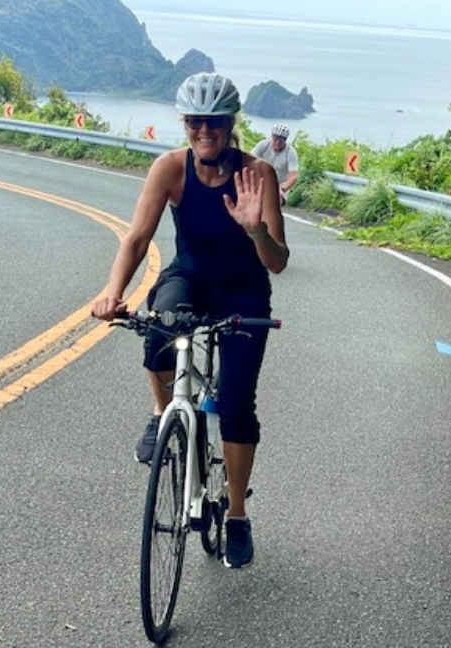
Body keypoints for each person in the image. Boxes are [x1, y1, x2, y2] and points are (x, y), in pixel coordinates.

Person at [91, 72, 289, 569]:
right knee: (157, 331)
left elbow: (278, 260)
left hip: (244, 292)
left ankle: (238, 515)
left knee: (238, 403)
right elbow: (137, 238)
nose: (205, 131)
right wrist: (113, 292)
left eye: (215, 122)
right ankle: (163, 415)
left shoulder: (258, 174)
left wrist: (254, 229)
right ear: (185, 124)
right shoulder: (170, 169)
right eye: (196, 122)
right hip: (191, 278)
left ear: (230, 123)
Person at [251, 123, 299, 205]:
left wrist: (282, 188)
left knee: (274, 202)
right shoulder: (263, 145)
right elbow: (249, 161)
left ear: (285, 140)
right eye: (275, 139)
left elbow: (293, 176)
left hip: (280, 185)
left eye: (281, 140)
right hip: (261, 181)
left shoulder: (290, 152)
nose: (277, 142)